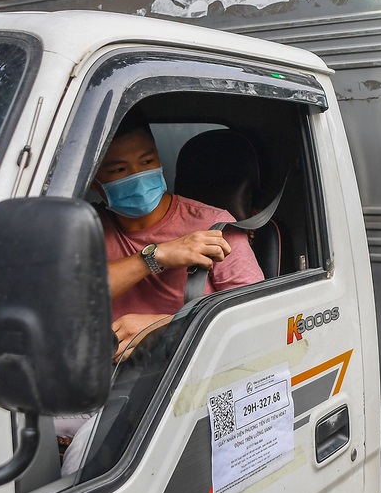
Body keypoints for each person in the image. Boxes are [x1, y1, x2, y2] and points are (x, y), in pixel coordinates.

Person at [55, 108, 264, 473]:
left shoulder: (213, 226)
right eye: (119, 170)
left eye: (147, 161)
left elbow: (257, 322)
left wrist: (163, 326)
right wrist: (155, 257)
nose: (137, 176)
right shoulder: (85, 230)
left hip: (177, 378)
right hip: (98, 374)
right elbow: (64, 299)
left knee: (82, 465)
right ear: (94, 181)